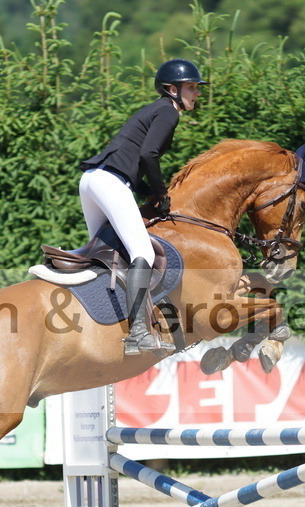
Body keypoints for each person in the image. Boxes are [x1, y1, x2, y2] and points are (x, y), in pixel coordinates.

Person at [79, 58, 208, 355]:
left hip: (92, 181)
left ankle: (103, 324)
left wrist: (149, 193)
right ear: (171, 89)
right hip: (110, 182)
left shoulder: (155, 109)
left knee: (108, 254)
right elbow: (150, 155)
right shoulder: (167, 111)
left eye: (196, 87)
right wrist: (162, 195)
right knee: (143, 253)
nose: (196, 93)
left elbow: (136, 163)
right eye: (191, 87)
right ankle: (138, 334)